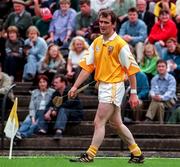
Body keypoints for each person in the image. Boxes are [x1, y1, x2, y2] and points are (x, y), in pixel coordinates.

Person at [68, 9, 144, 163]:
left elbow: (131, 71)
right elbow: (87, 67)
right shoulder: (96, 42)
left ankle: (90, 154)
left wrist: (134, 93)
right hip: (103, 86)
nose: (102, 25)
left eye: (106, 22)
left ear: (114, 24)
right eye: (100, 22)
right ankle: (137, 153)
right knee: (116, 124)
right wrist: (75, 86)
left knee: (99, 121)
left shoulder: (120, 44)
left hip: (114, 86)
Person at [39, 74, 83, 139]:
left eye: (56, 82)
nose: (54, 84)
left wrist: (55, 109)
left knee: (62, 109)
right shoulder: (55, 93)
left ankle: (59, 131)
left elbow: (68, 104)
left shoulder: (71, 91)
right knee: (47, 109)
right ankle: (44, 129)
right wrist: (49, 110)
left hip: (74, 115)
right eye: (54, 82)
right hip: (61, 115)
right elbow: (50, 104)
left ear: (63, 83)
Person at [15, 75, 54, 139]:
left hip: (45, 114)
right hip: (36, 112)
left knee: (34, 125)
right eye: (40, 82)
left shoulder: (52, 92)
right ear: (38, 84)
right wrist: (33, 118)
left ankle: (22, 135)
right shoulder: (34, 92)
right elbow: (32, 106)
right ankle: (19, 132)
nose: (42, 84)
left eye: (44, 82)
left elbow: (54, 104)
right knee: (28, 120)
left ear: (47, 83)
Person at [145, 59, 177, 124]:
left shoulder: (171, 78)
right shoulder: (154, 79)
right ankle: (161, 123)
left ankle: (148, 119)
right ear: (157, 68)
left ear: (166, 67)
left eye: (163, 66)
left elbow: (170, 93)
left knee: (156, 101)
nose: (161, 68)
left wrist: (161, 97)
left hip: (170, 101)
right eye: (159, 66)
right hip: (158, 100)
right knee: (160, 105)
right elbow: (152, 90)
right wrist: (153, 95)